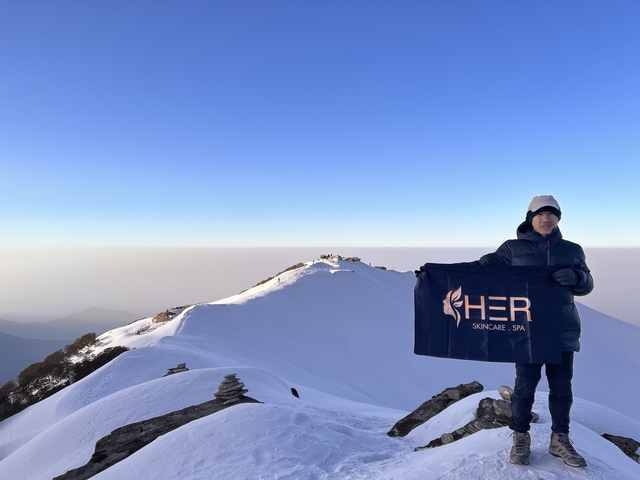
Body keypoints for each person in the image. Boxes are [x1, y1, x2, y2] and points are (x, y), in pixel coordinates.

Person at [476, 195, 594, 467]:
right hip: (526, 328)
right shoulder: (512, 249)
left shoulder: (572, 250)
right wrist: (438, 273)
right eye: (541, 214)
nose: (546, 219)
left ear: (558, 219)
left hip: (562, 328)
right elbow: (482, 269)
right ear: (531, 217)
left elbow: (587, 284)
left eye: (552, 214)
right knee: (525, 386)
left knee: (562, 388)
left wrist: (577, 278)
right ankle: (520, 436)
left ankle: (560, 440)